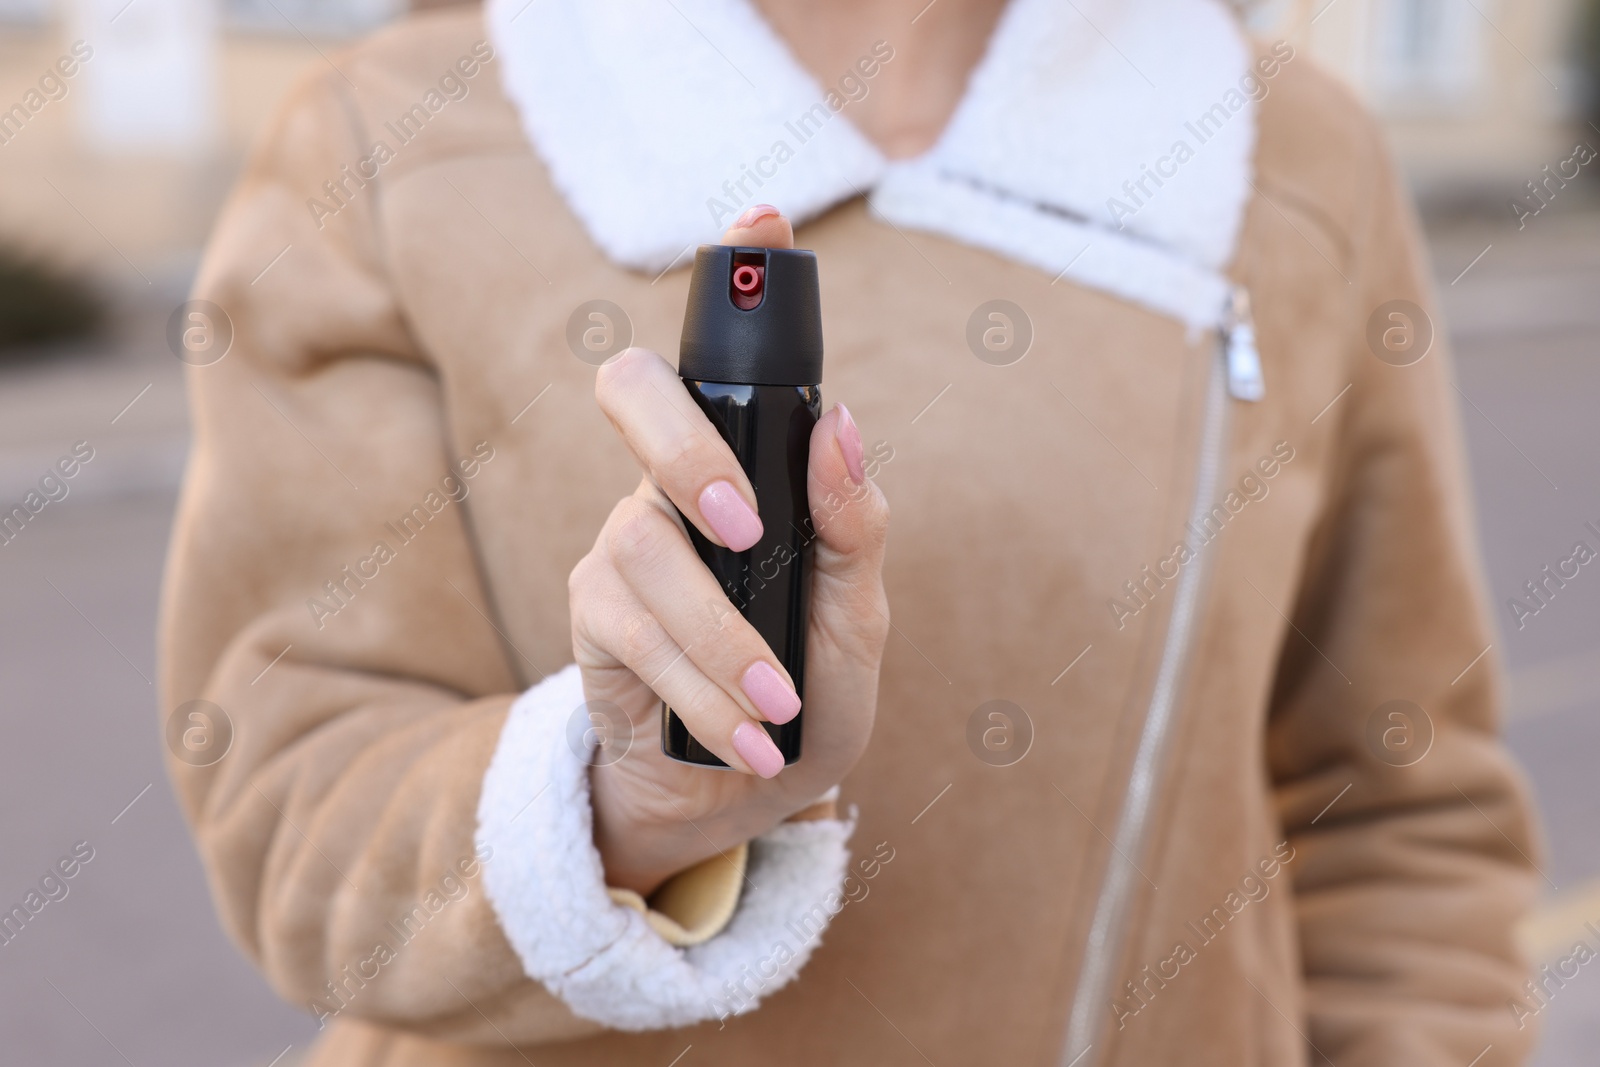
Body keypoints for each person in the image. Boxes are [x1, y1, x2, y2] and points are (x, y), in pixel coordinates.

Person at [160, 0, 1542, 1064]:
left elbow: (1405, 814)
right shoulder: (402, 136)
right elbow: (289, 801)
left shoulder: (1286, 160)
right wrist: (617, 805)